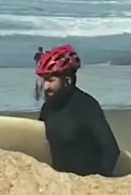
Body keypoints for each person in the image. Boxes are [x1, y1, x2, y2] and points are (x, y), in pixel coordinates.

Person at [36, 44, 120, 177]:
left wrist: (98, 183)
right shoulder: (48, 108)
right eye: (44, 80)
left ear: (67, 80)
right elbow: (38, 141)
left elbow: (111, 150)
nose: (45, 86)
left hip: (85, 182)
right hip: (61, 183)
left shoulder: (87, 106)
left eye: (51, 80)